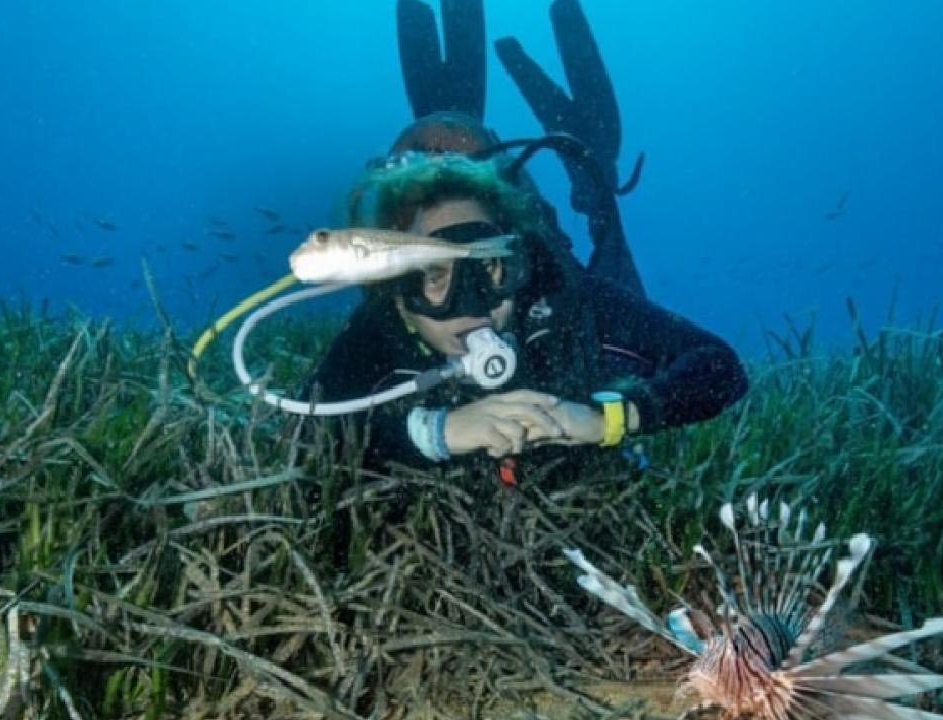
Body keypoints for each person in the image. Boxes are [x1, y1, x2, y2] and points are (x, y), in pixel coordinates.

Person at [303, 113, 747, 481]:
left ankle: (602, 209)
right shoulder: (383, 326)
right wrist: (433, 432)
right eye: (434, 276)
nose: (472, 303)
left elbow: (720, 367)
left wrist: (607, 420)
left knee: (620, 279)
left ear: (517, 263)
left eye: (488, 267)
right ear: (398, 292)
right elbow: (307, 435)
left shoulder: (562, 298)